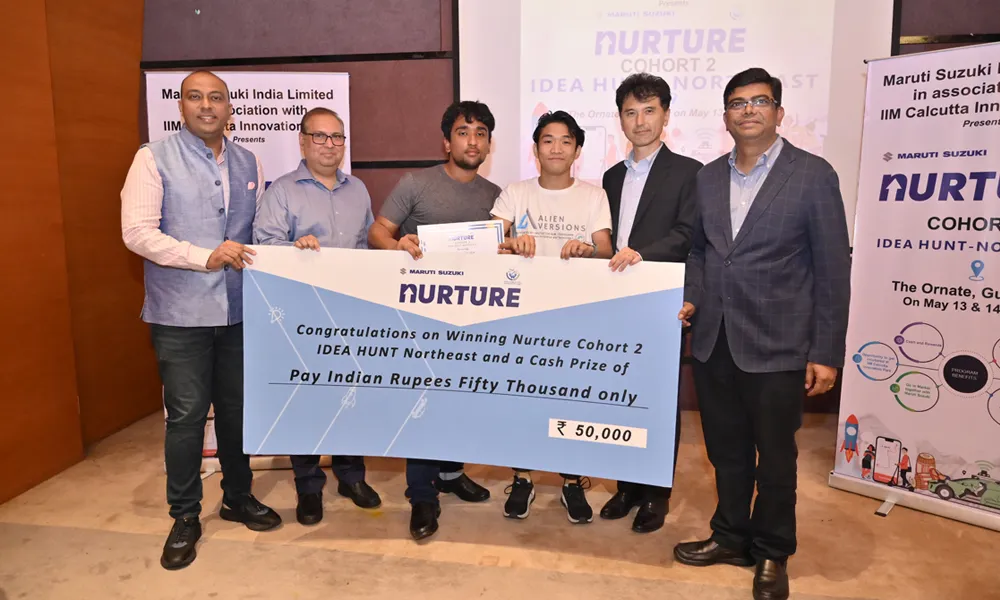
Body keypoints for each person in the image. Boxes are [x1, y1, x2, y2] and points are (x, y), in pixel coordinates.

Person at [673, 68, 851, 600]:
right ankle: (730, 536)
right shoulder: (707, 177)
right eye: (737, 103)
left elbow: (832, 269)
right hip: (714, 339)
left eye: (760, 101)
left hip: (779, 344)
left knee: (775, 457)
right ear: (725, 116)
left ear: (779, 112)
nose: (748, 110)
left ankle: (773, 550)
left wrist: (826, 350)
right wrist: (693, 295)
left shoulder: (813, 174)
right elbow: (702, 252)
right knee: (726, 451)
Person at [121, 70, 281, 571]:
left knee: (237, 412)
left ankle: (238, 496)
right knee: (188, 417)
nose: (207, 106)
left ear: (230, 108)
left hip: (238, 312)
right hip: (179, 315)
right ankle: (185, 515)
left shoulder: (250, 161)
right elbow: (136, 232)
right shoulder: (152, 158)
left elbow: (257, 231)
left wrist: (293, 247)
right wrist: (202, 256)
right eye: (196, 97)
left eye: (216, 98)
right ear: (181, 106)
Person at [368, 101, 499, 540]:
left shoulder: (496, 195)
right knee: (423, 404)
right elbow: (377, 231)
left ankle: (450, 473)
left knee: (460, 400)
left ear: (489, 144)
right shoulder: (416, 183)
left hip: (473, 318)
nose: (472, 141)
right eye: (463, 132)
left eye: (480, 133)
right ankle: (422, 494)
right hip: (422, 317)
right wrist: (397, 246)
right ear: (447, 141)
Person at [253, 107, 382, 525]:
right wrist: (295, 248)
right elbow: (264, 245)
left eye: (337, 137)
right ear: (303, 141)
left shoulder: (358, 189)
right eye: (320, 136)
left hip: (349, 314)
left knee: (350, 397)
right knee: (305, 400)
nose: (329, 145)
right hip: (302, 315)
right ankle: (308, 486)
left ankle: (351, 477)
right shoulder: (282, 191)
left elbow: (365, 248)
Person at [490, 110, 613, 523]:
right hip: (521, 315)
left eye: (565, 141)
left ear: (577, 151)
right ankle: (522, 477)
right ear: (535, 148)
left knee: (571, 401)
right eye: (547, 140)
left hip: (574, 316)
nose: (556, 148)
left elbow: (605, 248)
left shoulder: (593, 196)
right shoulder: (515, 192)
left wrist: (587, 250)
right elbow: (490, 241)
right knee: (522, 401)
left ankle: (572, 480)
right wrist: (510, 242)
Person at [600, 73, 701, 534]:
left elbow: (688, 233)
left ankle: (656, 494)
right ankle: (626, 487)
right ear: (620, 118)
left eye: (649, 110)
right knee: (620, 397)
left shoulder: (689, 172)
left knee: (658, 402)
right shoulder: (611, 176)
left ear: (665, 115)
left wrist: (642, 253)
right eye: (630, 112)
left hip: (662, 299)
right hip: (615, 301)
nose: (639, 121)